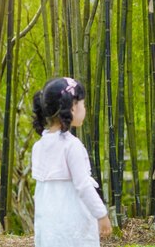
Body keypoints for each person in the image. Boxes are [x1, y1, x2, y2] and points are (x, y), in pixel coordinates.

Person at [31, 77, 112, 246]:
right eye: (83, 104)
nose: (85, 109)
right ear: (72, 107)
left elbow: (40, 194)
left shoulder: (38, 147)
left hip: (50, 231)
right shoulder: (71, 146)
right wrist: (101, 214)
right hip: (73, 228)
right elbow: (83, 186)